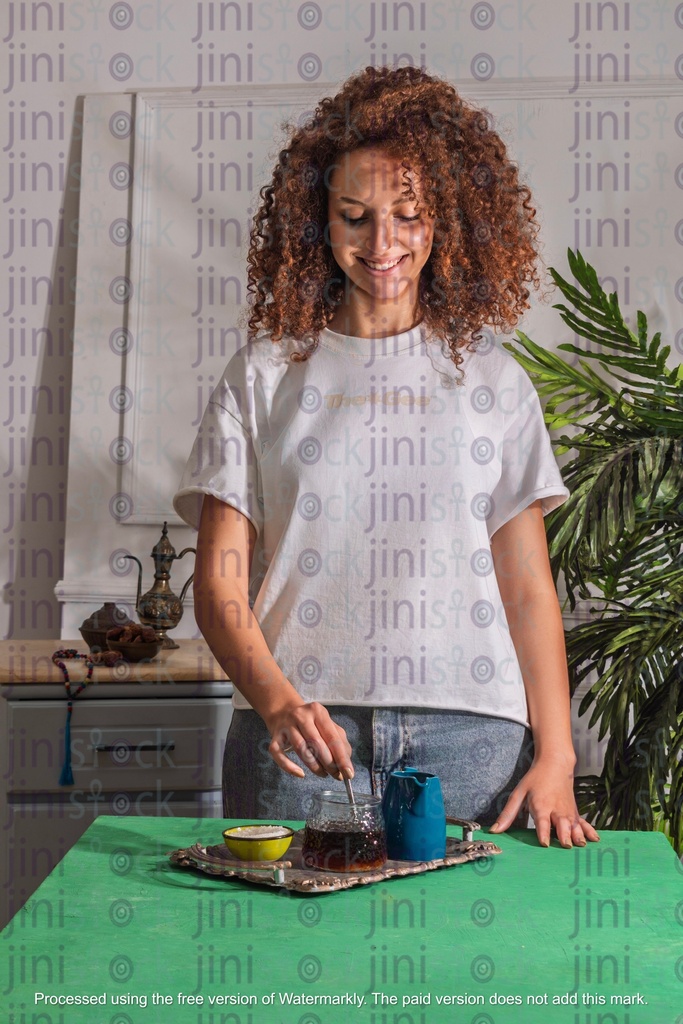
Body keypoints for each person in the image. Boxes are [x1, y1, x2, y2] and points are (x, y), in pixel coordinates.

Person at [173, 65, 599, 849]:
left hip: (469, 738)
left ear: (446, 220)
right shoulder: (264, 374)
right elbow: (218, 584)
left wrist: (558, 754)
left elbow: (529, 591)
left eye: (408, 216)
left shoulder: (491, 381)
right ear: (318, 221)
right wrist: (275, 703)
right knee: (283, 968)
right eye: (354, 216)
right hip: (296, 743)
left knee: (461, 970)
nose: (382, 244)